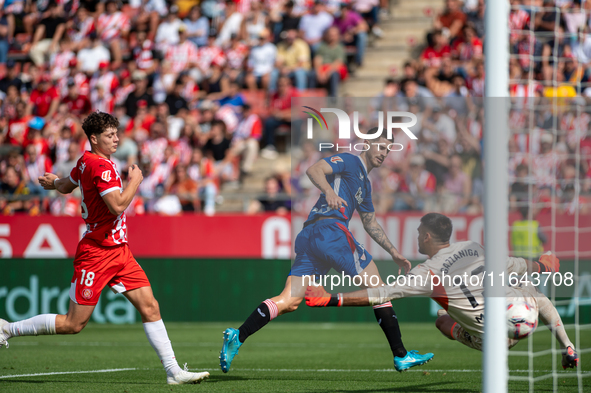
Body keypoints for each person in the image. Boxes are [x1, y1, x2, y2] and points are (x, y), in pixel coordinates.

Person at [0, 112, 209, 385]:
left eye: (116, 133)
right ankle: (7, 328)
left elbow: (66, 185)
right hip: (96, 253)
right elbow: (118, 205)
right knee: (73, 324)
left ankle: (174, 372)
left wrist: (53, 183)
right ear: (94, 138)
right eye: (110, 135)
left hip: (120, 251)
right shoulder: (102, 167)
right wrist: (135, 180)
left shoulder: (86, 161)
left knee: (150, 306)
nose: (117, 139)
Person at [219, 128, 434, 373]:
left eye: (388, 149)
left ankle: (238, 335)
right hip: (330, 231)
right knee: (379, 289)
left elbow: (370, 222)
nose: (384, 153)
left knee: (289, 300)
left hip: (311, 235)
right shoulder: (351, 161)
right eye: (380, 146)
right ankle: (401, 354)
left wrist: (394, 251)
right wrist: (329, 191)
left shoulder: (365, 183)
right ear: (366, 143)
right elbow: (314, 169)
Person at [305, 213, 579, 369]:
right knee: (530, 291)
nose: (416, 236)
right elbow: (513, 265)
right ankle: (568, 347)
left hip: (495, 340)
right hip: (521, 316)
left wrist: (331, 299)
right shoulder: (472, 246)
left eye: (418, 232)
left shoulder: (427, 274)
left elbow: (380, 293)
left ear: (426, 236)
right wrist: (542, 265)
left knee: (441, 319)